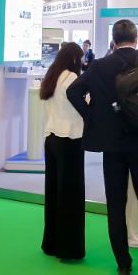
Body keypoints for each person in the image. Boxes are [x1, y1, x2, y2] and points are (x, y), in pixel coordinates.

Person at [66, 19, 138, 275]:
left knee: (116, 205)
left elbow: (73, 91)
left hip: (112, 145)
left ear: (113, 41)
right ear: (136, 39)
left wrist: (92, 116)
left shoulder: (100, 65)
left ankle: (123, 264)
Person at [40, 42, 85, 262]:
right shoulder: (72, 78)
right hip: (70, 138)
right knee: (70, 195)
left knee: (53, 192)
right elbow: (81, 107)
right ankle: (68, 248)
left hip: (51, 137)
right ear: (75, 59)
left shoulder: (52, 76)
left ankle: (51, 243)